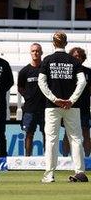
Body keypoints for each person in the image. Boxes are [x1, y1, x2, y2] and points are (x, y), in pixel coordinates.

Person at [38, 32, 87, 183]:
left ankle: (49, 174)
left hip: (52, 106)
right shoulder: (74, 61)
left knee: (51, 139)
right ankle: (80, 172)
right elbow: (83, 82)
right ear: (66, 43)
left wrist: (54, 99)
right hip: (72, 106)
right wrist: (71, 100)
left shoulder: (47, 60)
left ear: (53, 43)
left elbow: (41, 82)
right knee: (76, 139)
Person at [17, 43, 46, 156]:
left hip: (45, 108)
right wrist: (28, 97)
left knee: (47, 134)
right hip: (29, 108)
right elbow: (20, 87)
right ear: (30, 53)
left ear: (41, 53)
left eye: (38, 51)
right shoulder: (24, 71)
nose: (35, 53)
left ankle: (48, 158)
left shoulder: (46, 69)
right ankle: (27, 158)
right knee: (29, 134)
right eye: (33, 51)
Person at [63, 47, 91, 157]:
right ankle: (64, 160)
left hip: (84, 108)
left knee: (85, 133)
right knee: (67, 133)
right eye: (75, 56)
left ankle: (88, 159)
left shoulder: (88, 72)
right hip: (70, 107)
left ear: (83, 58)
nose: (77, 58)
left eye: (80, 56)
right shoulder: (67, 72)